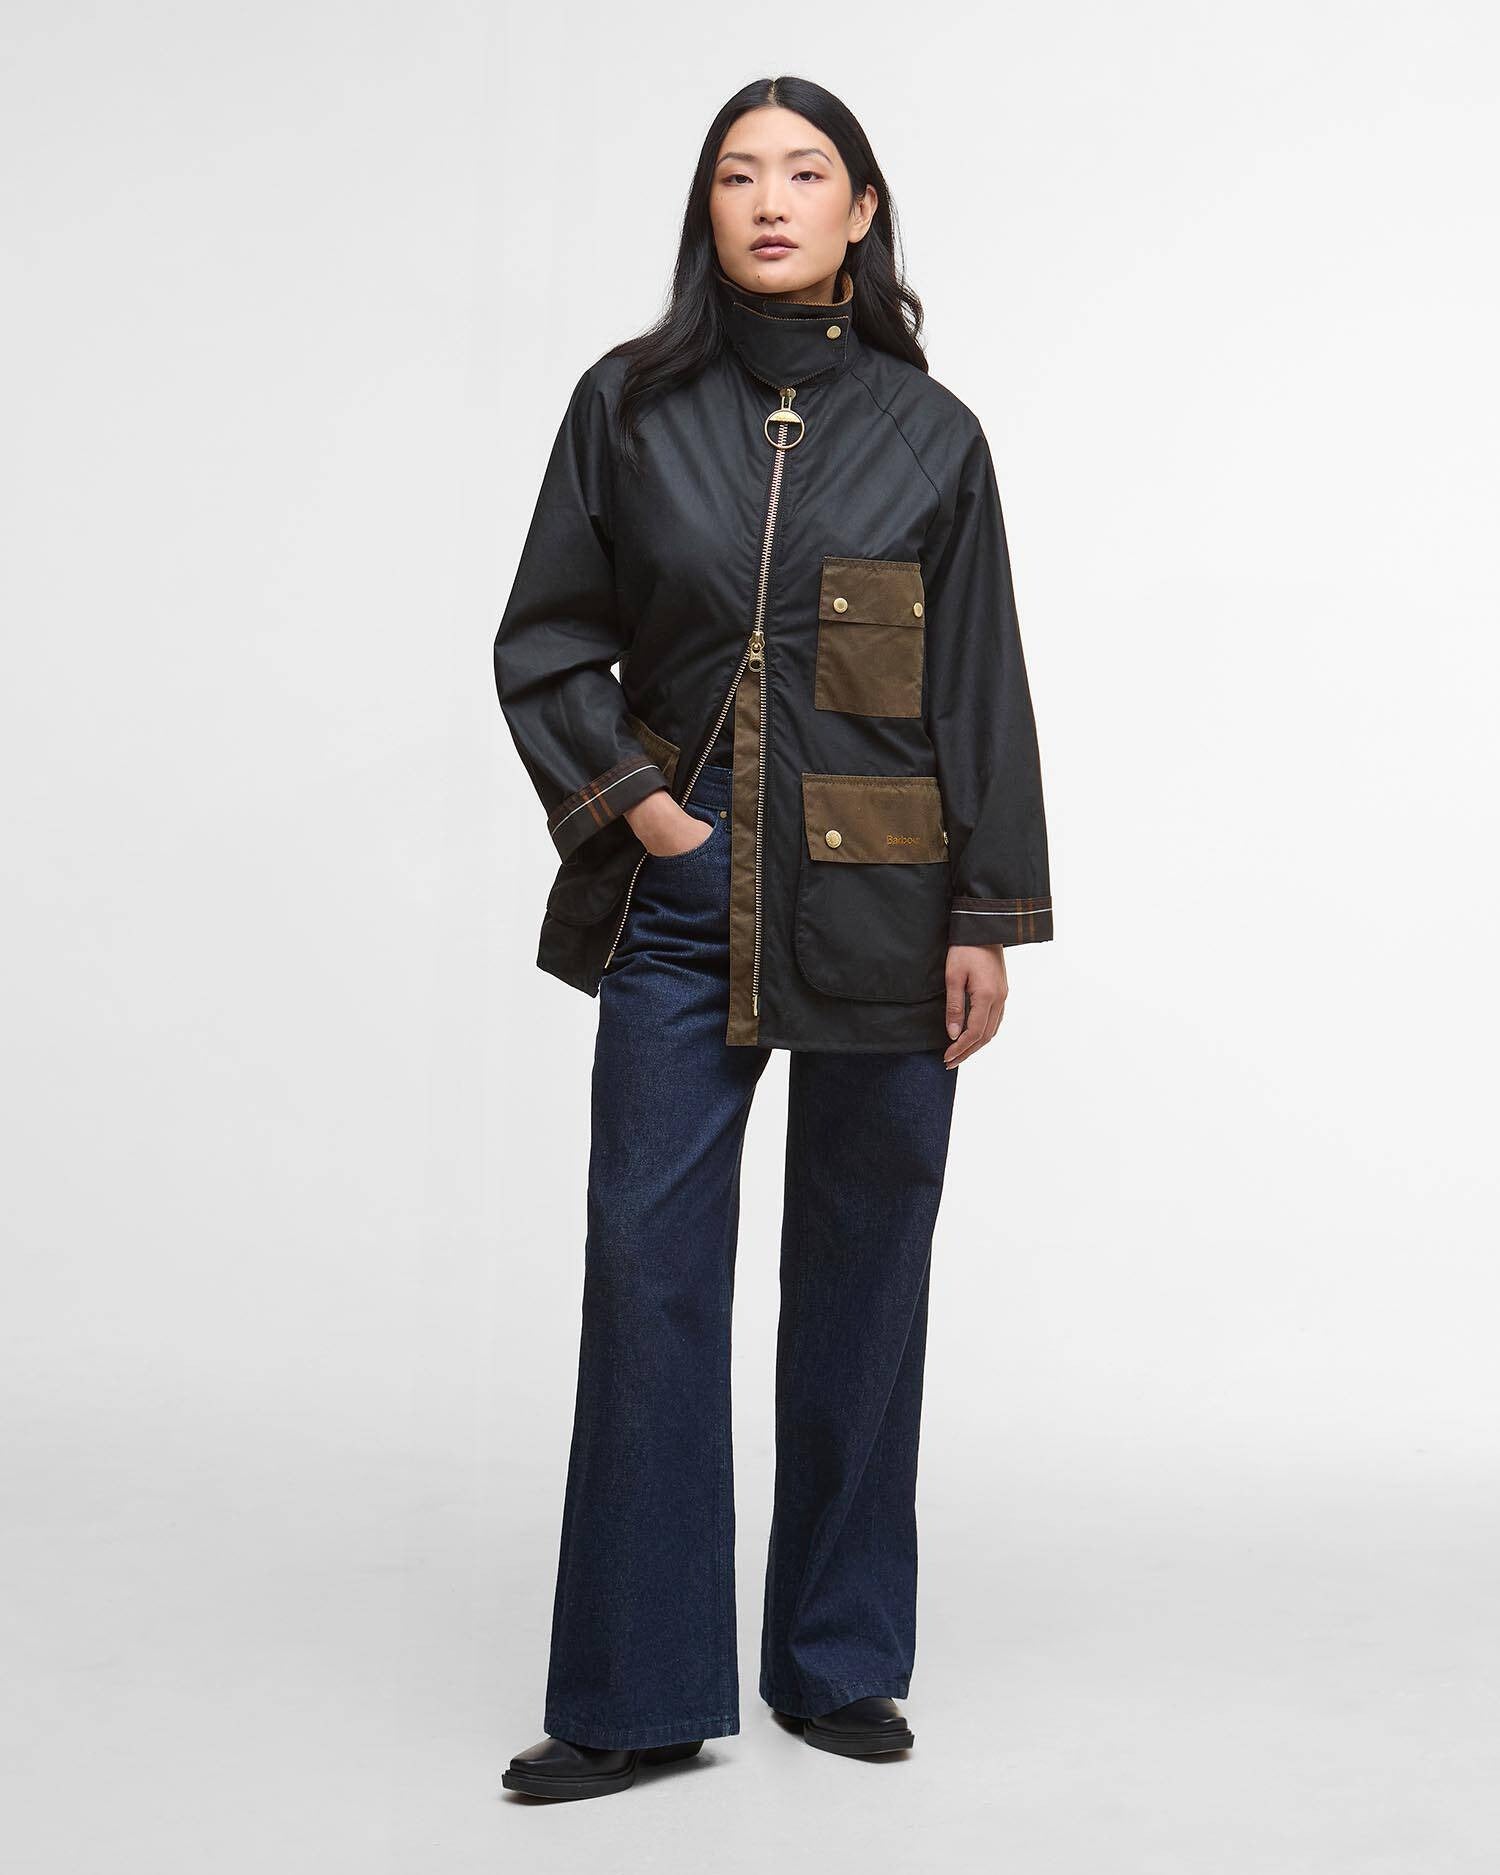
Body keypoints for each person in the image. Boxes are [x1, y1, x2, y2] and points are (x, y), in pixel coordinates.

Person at [492, 74, 1052, 1802]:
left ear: (861, 211)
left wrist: (987, 917)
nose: (771, 199)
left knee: (866, 1275)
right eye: (739, 173)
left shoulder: (931, 433)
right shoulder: (629, 404)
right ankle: (638, 1692)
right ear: (708, 209)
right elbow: (546, 640)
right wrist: (645, 815)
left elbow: (978, 691)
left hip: (892, 898)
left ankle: (837, 1660)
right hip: (683, 892)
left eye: (807, 172)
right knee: (649, 1274)